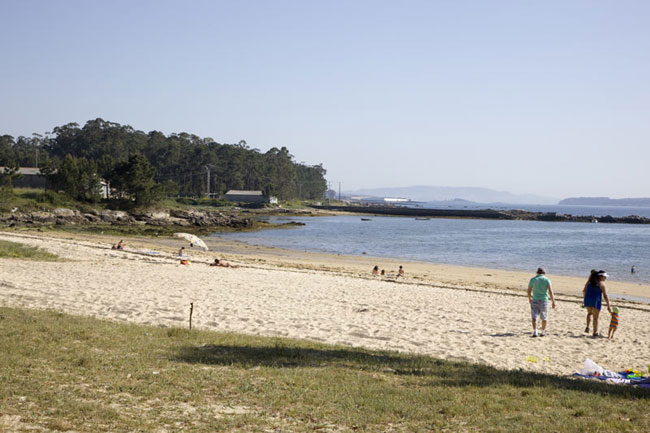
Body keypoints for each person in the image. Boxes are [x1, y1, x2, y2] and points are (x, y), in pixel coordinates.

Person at [527, 267, 556, 337]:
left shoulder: (533, 280)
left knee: (534, 317)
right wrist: (553, 301)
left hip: (535, 300)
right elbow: (550, 291)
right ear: (544, 273)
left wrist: (529, 298)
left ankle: (535, 331)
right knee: (544, 317)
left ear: (537, 272)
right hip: (544, 300)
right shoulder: (547, 280)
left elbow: (529, 290)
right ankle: (543, 331)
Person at [583, 270, 612, 337]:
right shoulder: (602, 284)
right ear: (601, 276)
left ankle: (587, 327)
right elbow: (605, 295)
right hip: (596, 301)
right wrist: (608, 305)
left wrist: (585, 299)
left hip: (588, 300)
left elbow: (584, 290)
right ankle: (595, 332)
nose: (605, 278)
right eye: (605, 277)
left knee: (589, 313)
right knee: (595, 318)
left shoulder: (589, 282)